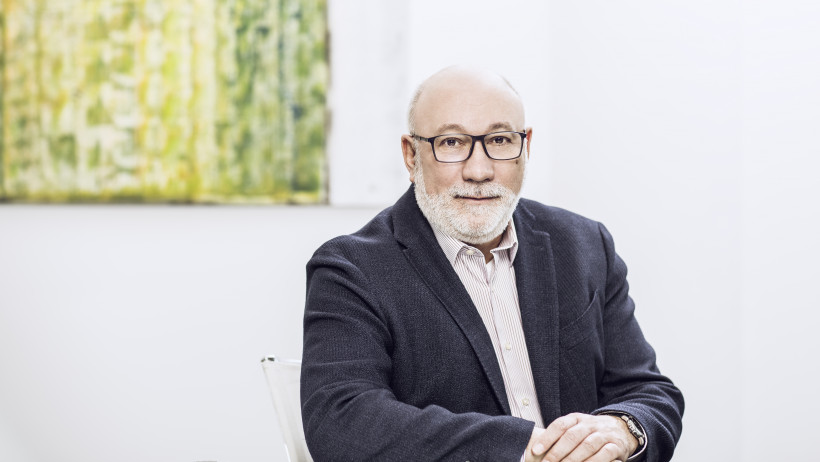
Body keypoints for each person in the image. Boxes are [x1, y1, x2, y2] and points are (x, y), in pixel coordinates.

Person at [300, 66, 684, 462]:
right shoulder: (351, 270)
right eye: (451, 142)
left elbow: (649, 393)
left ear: (526, 147)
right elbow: (341, 420)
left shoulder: (585, 245)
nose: (479, 171)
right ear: (411, 156)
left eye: (499, 140)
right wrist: (526, 449)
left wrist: (622, 429)